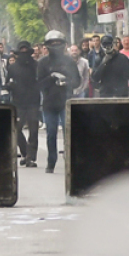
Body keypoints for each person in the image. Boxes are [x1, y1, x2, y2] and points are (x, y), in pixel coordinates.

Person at [37, 30, 81, 173]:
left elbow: (77, 81)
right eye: (52, 43)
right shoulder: (43, 62)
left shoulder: (69, 61)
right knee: (51, 133)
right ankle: (51, 161)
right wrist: (51, 77)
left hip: (65, 102)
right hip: (49, 103)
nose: (55, 45)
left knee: (68, 132)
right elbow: (39, 83)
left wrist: (65, 81)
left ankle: (70, 159)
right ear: (47, 46)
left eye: (58, 43)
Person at [7, 41, 41, 167]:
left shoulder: (36, 66)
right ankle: (25, 152)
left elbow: (41, 81)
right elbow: (7, 83)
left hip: (33, 102)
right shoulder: (12, 68)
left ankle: (31, 157)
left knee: (33, 130)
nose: (24, 54)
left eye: (26, 51)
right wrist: (10, 86)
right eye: (21, 51)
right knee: (16, 128)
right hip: (18, 102)